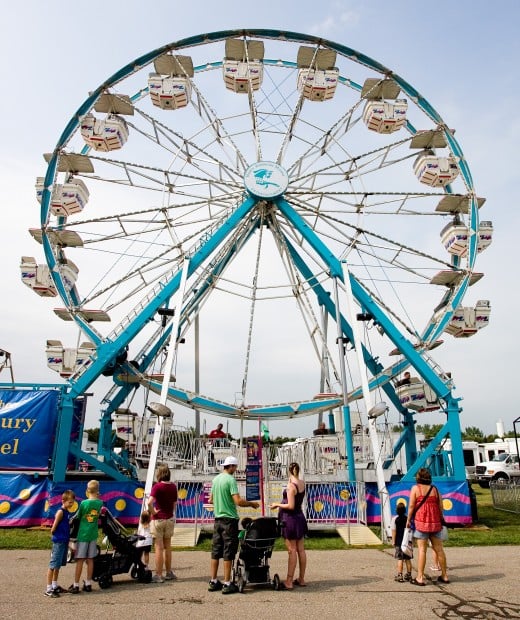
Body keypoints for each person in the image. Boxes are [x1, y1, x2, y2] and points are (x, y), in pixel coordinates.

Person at [208, 455, 260, 594]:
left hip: (217, 519)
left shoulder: (216, 479)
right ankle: (227, 583)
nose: (235, 470)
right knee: (228, 551)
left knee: (215, 551)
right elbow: (238, 501)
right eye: (235, 467)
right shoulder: (230, 480)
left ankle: (213, 581)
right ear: (231, 467)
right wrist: (251, 504)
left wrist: (221, 501)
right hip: (229, 520)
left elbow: (211, 499)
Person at [406, 467, 449, 586]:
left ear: (418, 477)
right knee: (439, 549)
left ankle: (420, 577)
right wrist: (441, 519)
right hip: (435, 522)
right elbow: (441, 506)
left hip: (421, 522)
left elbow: (411, 506)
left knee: (422, 550)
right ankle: (444, 575)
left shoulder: (416, 488)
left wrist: (408, 520)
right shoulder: (435, 489)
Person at [270, 462, 308, 589]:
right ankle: (301, 579)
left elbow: (290, 506)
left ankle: (289, 581)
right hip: (300, 517)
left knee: (292, 550)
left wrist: (277, 504)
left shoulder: (291, 487)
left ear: (289, 471)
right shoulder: (302, 483)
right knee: (301, 550)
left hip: (291, 520)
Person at [68, 480, 103, 593]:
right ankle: (88, 583)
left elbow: (78, 516)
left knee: (80, 559)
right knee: (90, 559)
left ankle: (76, 584)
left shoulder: (83, 503)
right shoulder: (99, 503)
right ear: (98, 491)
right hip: (93, 534)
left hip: (83, 534)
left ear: (87, 490)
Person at [148, 463, 178, 583]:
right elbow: (174, 504)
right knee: (168, 547)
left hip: (158, 519)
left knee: (159, 548)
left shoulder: (157, 487)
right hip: (169, 518)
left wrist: (153, 512)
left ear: (159, 474)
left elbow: (149, 503)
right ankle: (169, 572)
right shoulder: (173, 487)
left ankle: (158, 574)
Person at [45, 489, 75, 597]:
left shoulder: (67, 512)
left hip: (64, 541)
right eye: (70, 502)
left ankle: (55, 585)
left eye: (73, 502)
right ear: (63, 501)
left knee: (58, 565)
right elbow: (54, 527)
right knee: (53, 565)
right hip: (58, 541)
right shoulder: (60, 512)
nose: (71, 504)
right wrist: (55, 533)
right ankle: (48, 589)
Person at [391, 501, 412, 583]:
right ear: (404, 510)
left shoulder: (394, 519)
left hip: (399, 542)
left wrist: (393, 541)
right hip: (407, 542)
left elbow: (394, 531)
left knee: (400, 559)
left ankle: (400, 575)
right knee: (407, 559)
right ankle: (409, 575)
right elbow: (410, 530)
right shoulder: (407, 519)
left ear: (397, 510)